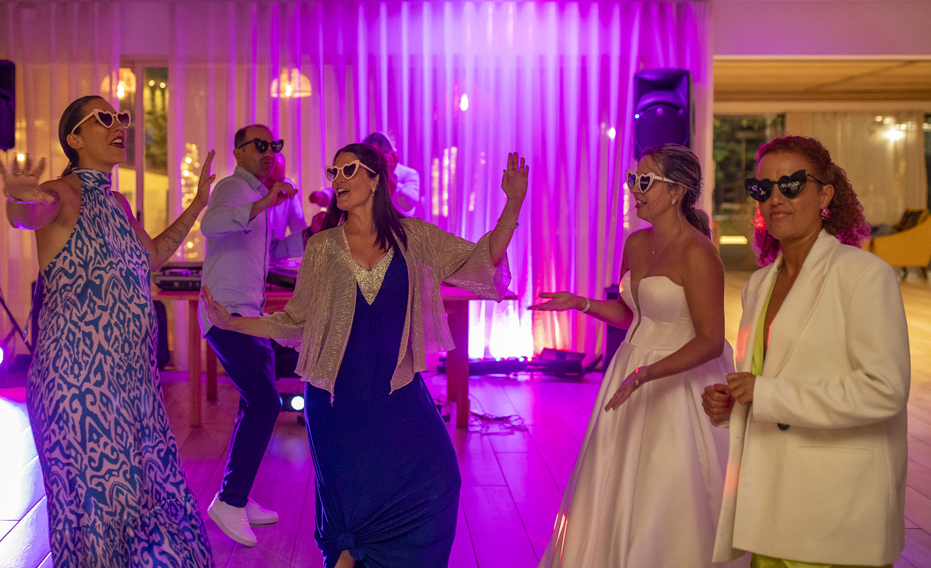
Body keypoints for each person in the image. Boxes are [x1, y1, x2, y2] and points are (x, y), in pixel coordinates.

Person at [202, 143, 525, 568]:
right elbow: (296, 321)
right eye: (333, 171)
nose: (337, 179)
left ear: (375, 180)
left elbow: (481, 258)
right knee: (350, 513)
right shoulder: (323, 247)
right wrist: (232, 323)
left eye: (348, 170)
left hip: (398, 392)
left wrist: (513, 203)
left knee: (441, 480)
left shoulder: (414, 237)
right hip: (336, 401)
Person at [0, 95, 214, 566]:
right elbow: (28, 214)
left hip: (134, 386)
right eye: (103, 118)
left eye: (122, 118)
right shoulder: (59, 193)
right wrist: (18, 197)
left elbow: (153, 255)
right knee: (99, 512)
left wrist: (197, 204)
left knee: (151, 498)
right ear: (74, 138)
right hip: (78, 387)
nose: (119, 125)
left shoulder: (116, 202)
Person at [702, 136, 909, 568]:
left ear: (825, 195)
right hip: (769, 507)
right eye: (763, 188)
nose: (775, 198)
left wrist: (766, 393)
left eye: (791, 184)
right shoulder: (759, 285)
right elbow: (771, 381)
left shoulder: (864, 275)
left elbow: (885, 390)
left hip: (835, 507)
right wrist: (734, 405)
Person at [530, 144, 734, 567]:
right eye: (632, 179)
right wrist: (580, 303)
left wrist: (648, 373)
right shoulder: (637, 243)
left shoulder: (699, 253)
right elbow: (633, 314)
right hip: (630, 369)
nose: (634, 190)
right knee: (613, 477)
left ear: (676, 191)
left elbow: (711, 340)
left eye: (645, 181)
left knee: (667, 488)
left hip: (679, 379)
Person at [198, 124, 324, 547]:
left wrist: (309, 235)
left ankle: (236, 493)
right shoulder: (233, 188)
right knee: (266, 402)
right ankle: (229, 500)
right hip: (225, 314)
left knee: (254, 403)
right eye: (260, 145)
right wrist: (265, 202)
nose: (269, 151)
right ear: (238, 152)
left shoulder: (257, 196)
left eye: (274, 145)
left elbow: (270, 253)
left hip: (248, 316)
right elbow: (210, 225)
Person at [309, 132, 420, 217]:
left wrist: (388, 175)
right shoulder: (365, 172)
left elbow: (408, 204)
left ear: (390, 155)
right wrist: (323, 197)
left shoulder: (409, 174)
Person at [265, 151, 308, 241]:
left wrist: (313, 231)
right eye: (270, 181)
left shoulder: (288, 187)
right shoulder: (247, 191)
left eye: (280, 180)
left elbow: (299, 227)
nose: (276, 187)